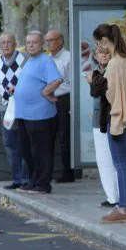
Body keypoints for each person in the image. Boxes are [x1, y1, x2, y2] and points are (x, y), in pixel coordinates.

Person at [92, 24, 126, 224]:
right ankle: (123, 205)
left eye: (98, 42)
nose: (98, 47)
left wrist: (94, 82)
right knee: (125, 163)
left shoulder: (114, 64)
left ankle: (122, 208)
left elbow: (110, 93)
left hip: (119, 116)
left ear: (105, 41)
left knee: (120, 164)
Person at [86, 47, 126, 207]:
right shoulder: (95, 71)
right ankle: (112, 197)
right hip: (99, 118)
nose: (103, 55)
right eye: (99, 52)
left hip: (118, 117)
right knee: (104, 159)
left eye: (106, 52)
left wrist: (93, 82)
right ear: (94, 56)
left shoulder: (117, 68)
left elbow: (104, 92)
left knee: (123, 157)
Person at [14, 31, 63, 194]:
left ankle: (43, 184)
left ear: (42, 44)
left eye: (34, 42)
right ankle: (33, 180)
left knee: (40, 151)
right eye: (28, 42)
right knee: (27, 150)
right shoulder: (29, 61)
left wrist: (44, 92)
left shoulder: (45, 61)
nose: (30, 45)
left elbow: (57, 79)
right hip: (24, 114)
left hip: (39, 115)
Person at [0, 33, 29, 190]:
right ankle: (17, 178)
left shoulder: (25, 59)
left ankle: (26, 178)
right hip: (5, 108)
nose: (6, 45)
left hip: (23, 107)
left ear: (15, 44)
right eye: (3, 43)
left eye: (9, 42)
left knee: (24, 142)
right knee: (10, 144)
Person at [45, 29, 75, 183]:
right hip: (49, 100)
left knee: (65, 136)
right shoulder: (48, 58)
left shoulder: (69, 57)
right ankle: (49, 171)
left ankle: (68, 171)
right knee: (49, 136)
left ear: (60, 41)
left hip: (64, 99)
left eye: (52, 40)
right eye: (47, 40)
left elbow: (73, 82)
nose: (49, 43)